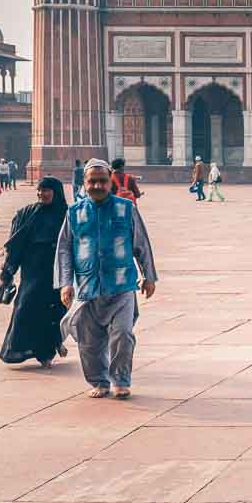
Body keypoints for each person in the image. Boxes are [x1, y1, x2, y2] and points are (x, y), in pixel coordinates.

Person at [56, 160, 158, 399]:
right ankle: (100, 381)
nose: (97, 186)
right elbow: (64, 250)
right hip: (88, 286)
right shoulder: (75, 212)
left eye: (102, 181)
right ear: (85, 183)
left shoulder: (126, 208)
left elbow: (140, 243)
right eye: (92, 181)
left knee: (123, 334)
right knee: (89, 342)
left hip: (120, 286)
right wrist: (65, 282)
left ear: (110, 180)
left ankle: (121, 380)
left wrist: (148, 276)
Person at [0, 176, 68, 367]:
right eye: (39, 190)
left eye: (46, 190)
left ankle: (47, 351)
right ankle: (19, 349)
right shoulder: (28, 213)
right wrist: (8, 269)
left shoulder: (66, 215)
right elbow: (16, 244)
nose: (41, 194)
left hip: (56, 271)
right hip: (33, 270)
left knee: (53, 313)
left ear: (56, 192)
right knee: (24, 307)